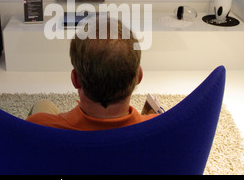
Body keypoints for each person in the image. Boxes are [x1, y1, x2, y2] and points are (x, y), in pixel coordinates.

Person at [26, 18, 159, 130]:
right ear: (139, 76)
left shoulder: (37, 126)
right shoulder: (159, 126)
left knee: (43, 105)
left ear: (75, 79)